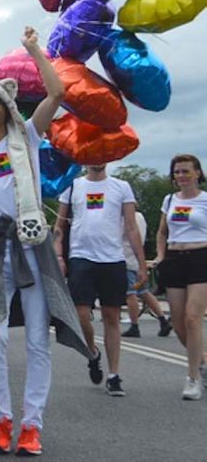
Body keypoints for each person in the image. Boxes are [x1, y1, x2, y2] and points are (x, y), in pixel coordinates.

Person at [0, 27, 88, 456]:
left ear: (6, 106)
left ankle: (31, 425)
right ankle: (0, 418)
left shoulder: (26, 135)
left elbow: (58, 92)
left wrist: (33, 50)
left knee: (37, 341)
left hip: (34, 247)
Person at [54, 164, 147, 397]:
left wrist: (142, 264)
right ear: (86, 158)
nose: (98, 159)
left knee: (111, 317)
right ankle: (93, 353)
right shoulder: (73, 186)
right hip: (81, 257)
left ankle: (114, 375)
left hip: (113, 259)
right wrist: (58, 256)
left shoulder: (121, 187)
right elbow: (59, 226)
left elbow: (132, 227)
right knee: (82, 315)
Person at [153, 154, 207, 401]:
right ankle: (202, 361)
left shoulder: (205, 200)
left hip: (200, 259)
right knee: (178, 323)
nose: (181, 176)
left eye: (186, 171)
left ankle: (193, 378)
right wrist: (160, 256)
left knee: (193, 318)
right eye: (177, 172)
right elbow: (162, 232)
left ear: (198, 173)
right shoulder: (169, 199)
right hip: (174, 259)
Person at [121, 211, 172, 339]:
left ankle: (134, 325)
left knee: (130, 293)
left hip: (125, 258)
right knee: (144, 292)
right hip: (138, 260)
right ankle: (162, 320)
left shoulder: (125, 218)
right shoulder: (140, 217)